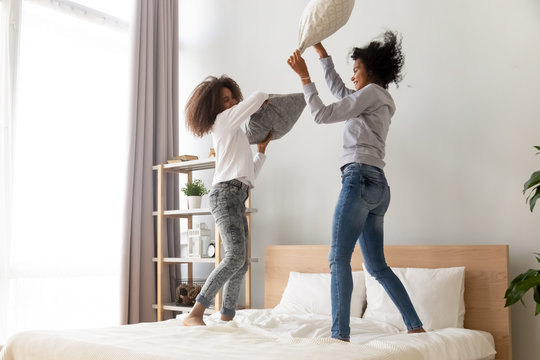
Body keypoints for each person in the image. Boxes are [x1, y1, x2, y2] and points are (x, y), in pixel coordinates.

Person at [287, 31, 426, 341]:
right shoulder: (377, 98)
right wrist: (322, 54)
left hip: (359, 179)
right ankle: (414, 324)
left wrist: (305, 77)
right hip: (378, 187)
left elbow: (322, 115)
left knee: (339, 258)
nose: (352, 75)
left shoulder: (372, 94)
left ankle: (340, 335)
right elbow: (340, 91)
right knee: (376, 266)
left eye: (356, 69)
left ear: (370, 72)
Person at [182, 75, 272, 326]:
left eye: (233, 98)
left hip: (237, 194)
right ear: (215, 107)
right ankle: (195, 313)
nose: (232, 103)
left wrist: (261, 153)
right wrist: (266, 96)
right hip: (225, 195)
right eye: (225, 100)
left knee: (241, 263)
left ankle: (226, 315)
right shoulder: (222, 121)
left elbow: (248, 176)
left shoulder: (234, 131)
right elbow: (256, 98)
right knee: (234, 257)